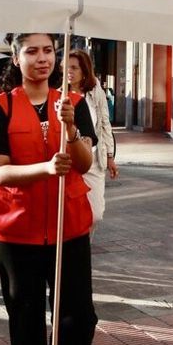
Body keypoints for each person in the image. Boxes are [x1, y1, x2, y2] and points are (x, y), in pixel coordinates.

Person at [0, 32, 98, 345]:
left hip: (70, 230)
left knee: (76, 319)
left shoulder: (74, 105)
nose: (43, 58)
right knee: (27, 325)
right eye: (32, 51)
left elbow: (83, 162)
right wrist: (46, 169)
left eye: (49, 50)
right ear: (17, 57)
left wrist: (69, 130)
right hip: (17, 233)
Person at [67, 49, 118, 230]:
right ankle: (75, 252)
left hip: (94, 160)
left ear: (84, 71)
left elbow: (105, 124)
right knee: (69, 213)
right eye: (67, 67)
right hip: (70, 162)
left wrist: (110, 156)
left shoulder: (95, 92)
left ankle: (83, 246)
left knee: (95, 213)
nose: (69, 71)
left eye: (74, 68)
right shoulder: (58, 94)